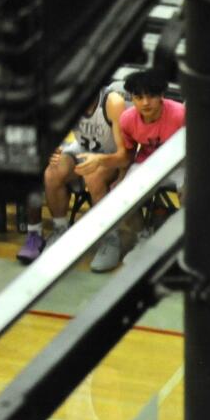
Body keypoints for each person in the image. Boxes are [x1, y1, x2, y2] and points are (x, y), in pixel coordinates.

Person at [77, 69, 186, 272]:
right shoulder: (128, 119)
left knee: (192, 193)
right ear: (132, 98)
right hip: (147, 163)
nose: (145, 102)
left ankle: (187, 245)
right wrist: (117, 174)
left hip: (180, 163)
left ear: (162, 95)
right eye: (139, 97)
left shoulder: (180, 114)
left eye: (151, 96)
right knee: (123, 197)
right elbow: (126, 155)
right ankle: (143, 236)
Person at [17, 83, 127, 264]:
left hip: (111, 156)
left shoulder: (112, 102)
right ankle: (60, 230)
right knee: (52, 172)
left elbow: (124, 155)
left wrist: (99, 160)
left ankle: (110, 237)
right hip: (83, 150)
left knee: (94, 175)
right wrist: (53, 150)